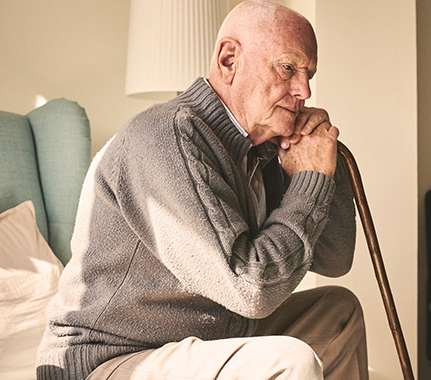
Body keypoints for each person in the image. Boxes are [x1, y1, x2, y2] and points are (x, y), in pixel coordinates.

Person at [35, 1, 368, 379]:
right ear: (229, 60)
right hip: (109, 360)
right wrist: (312, 181)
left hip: (203, 343)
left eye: (309, 74)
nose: (304, 90)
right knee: (290, 361)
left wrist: (323, 163)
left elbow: (335, 259)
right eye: (288, 68)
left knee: (339, 310)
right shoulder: (166, 136)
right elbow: (252, 289)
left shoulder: (262, 149)